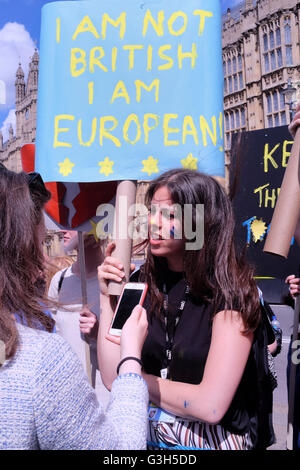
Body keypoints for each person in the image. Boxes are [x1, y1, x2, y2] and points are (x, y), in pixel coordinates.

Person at [98, 168, 275, 450]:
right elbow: (109, 376)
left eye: (169, 214)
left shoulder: (230, 293)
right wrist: (107, 295)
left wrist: (132, 379)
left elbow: (210, 406)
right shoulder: (139, 282)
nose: (153, 223)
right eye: (151, 212)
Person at [0, 164, 149, 450]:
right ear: (16, 247)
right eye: (42, 242)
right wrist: (130, 362)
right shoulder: (39, 359)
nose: (45, 258)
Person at [48, 231, 110, 406]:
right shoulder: (59, 281)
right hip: (68, 399)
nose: (62, 230)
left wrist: (99, 333)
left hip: (104, 400)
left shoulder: (114, 281)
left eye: (72, 225)